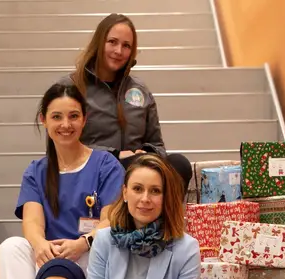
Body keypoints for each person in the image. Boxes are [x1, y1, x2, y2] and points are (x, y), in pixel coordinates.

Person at [0, 83, 127, 279]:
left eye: (73, 116)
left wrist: (82, 243)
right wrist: (40, 245)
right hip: (49, 257)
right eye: (56, 117)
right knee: (11, 247)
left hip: (88, 256)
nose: (65, 124)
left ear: (84, 119)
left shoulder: (105, 164)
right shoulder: (36, 171)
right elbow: (32, 222)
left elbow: (111, 219)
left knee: (105, 241)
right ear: (43, 120)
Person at [60, 14, 194, 193]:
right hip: (91, 171)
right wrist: (114, 155)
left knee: (179, 164)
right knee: (128, 170)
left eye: (126, 46)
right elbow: (63, 144)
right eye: (112, 42)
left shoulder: (140, 90)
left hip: (136, 173)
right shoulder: (71, 87)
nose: (118, 51)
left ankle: (160, 221)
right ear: (99, 42)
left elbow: (157, 145)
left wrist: (146, 155)